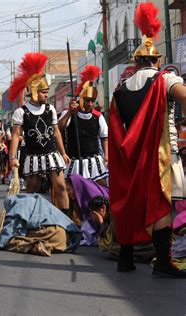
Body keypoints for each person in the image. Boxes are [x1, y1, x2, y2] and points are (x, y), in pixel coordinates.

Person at [109, 3, 186, 277]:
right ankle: (163, 264)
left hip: (130, 156)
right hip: (161, 154)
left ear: (136, 61)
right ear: (157, 59)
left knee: (132, 204)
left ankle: (126, 258)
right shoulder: (166, 79)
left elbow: (116, 128)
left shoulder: (120, 87)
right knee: (162, 204)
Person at [8, 52, 70, 212]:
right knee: (31, 192)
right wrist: (13, 157)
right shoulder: (21, 112)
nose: (47, 94)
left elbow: (56, 132)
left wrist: (62, 153)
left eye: (47, 91)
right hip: (32, 155)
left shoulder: (50, 109)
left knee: (61, 187)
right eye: (44, 91)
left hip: (51, 153)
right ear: (35, 92)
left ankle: (66, 221)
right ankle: (29, 220)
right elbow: (15, 136)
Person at [58, 65, 108, 186]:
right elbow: (58, 128)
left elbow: (104, 137)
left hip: (94, 161)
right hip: (74, 161)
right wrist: (70, 112)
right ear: (81, 99)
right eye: (87, 100)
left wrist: (106, 155)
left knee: (101, 188)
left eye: (92, 100)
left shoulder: (98, 116)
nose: (90, 103)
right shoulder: (69, 114)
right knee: (72, 191)